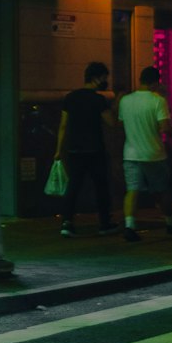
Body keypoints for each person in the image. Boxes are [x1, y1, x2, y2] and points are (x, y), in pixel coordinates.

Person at [118, 66, 172, 243]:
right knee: (161, 190)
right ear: (154, 82)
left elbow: (121, 124)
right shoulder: (158, 101)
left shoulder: (125, 100)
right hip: (153, 154)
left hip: (130, 153)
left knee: (132, 190)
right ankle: (171, 222)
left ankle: (129, 226)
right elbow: (165, 128)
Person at [53, 61, 118, 236]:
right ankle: (104, 223)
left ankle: (67, 222)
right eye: (104, 78)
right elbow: (111, 122)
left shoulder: (70, 98)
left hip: (74, 150)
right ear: (96, 78)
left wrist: (58, 150)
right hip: (95, 149)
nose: (106, 81)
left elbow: (63, 126)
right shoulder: (99, 100)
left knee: (73, 186)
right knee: (101, 187)